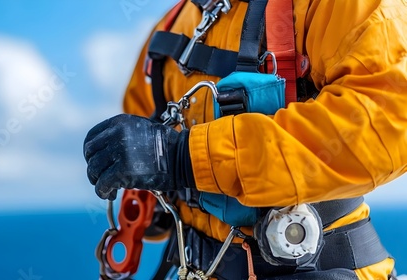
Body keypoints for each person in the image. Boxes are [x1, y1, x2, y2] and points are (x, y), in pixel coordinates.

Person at [84, 0, 407, 279]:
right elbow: (144, 134)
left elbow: (389, 120)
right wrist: (156, 200)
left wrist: (186, 159)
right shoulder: (175, 25)